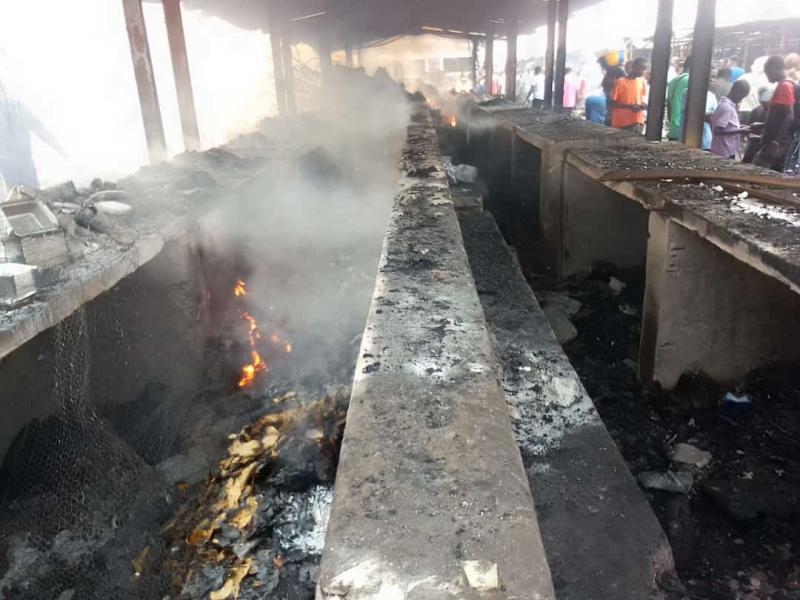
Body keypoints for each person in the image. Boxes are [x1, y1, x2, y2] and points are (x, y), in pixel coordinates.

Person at [0, 79, 66, 188]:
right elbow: (42, 131)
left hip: (8, 171)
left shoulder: (19, 107)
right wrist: (61, 150)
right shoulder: (20, 107)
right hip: (26, 168)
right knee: (33, 198)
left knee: (13, 200)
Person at [753, 55, 796, 171]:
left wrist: (775, 142)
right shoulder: (788, 84)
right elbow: (779, 116)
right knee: (774, 173)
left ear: (773, 69)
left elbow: (789, 116)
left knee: (756, 170)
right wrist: (763, 125)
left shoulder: (784, 86)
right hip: (781, 141)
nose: (767, 77)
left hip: (776, 142)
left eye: (767, 73)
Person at [710, 79, 750, 159]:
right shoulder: (726, 107)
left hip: (726, 149)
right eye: (741, 97)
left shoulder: (727, 105)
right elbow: (719, 130)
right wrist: (740, 131)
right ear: (737, 93)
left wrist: (740, 127)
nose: (741, 100)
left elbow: (728, 125)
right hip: (723, 151)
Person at [609, 57, 648, 133]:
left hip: (638, 121)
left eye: (644, 69)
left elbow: (639, 99)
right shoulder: (620, 82)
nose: (643, 72)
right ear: (634, 67)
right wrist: (629, 106)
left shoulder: (641, 82)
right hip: (623, 123)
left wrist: (643, 105)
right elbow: (612, 103)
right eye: (641, 69)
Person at [743, 86, 773, 163]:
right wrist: (749, 135)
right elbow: (748, 128)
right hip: (753, 147)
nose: (764, 105)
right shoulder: (755, 111)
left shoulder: (775, 112)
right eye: (762, 103)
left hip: (766, 148)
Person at [666, 57, 691, 140]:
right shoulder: (688, 80)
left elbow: (671, 103)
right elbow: (677, 103)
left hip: (674, 127)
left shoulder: (675, 79)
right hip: (681, 129)